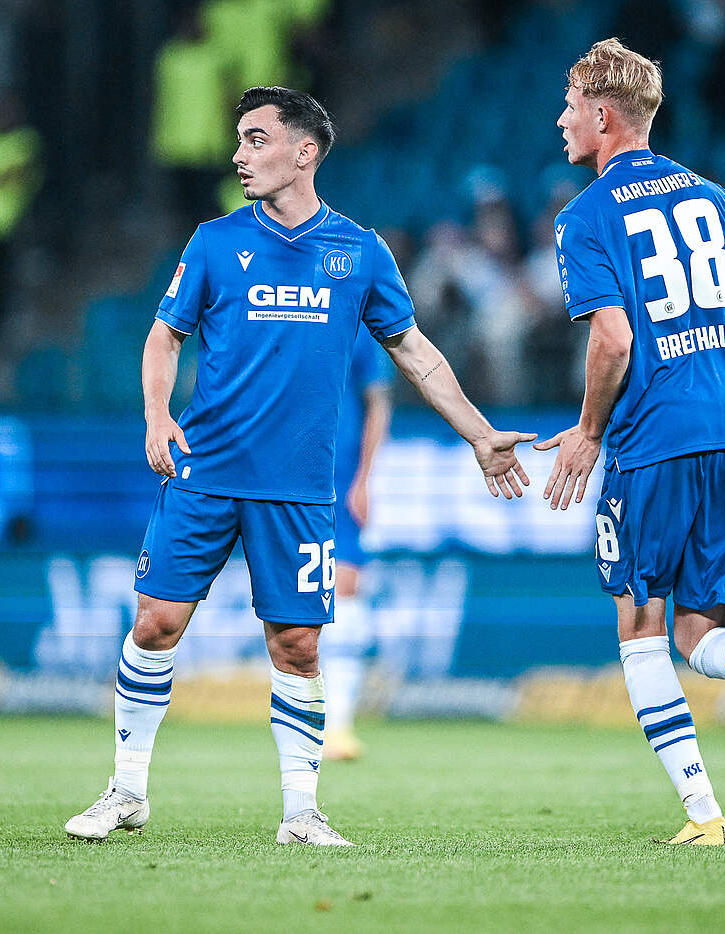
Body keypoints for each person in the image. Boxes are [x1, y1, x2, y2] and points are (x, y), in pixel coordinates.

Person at [65, 86, 534, 846]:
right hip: (204, 472)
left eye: (256, 140)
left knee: (298, 645)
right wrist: (156, 415)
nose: (238, 155)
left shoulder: (360, 252)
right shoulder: (214, 242)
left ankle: (301, 813)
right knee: (155, 624)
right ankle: (125, 792)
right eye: (239, 141)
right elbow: (163, 337)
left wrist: (480, 435)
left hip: (300, 488)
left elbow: (415, 353)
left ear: (304, 151)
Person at [536, 40, 725, 846]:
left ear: (603, 116)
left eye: (570, 106)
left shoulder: (586, 216)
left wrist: (588, 432)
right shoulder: (710, 194)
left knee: (641, 628)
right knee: (699, 634)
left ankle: (704, 815)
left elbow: (613, 339)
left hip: (653, 443)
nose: (562, 120)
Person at [318, 327, 392, 760]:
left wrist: (365, 478)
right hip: (284, 476)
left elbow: (377, 401)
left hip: (341, 477)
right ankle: (302, 717)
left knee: (345, 586)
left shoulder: (357, 326)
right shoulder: (276, 307)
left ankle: (339, 724)